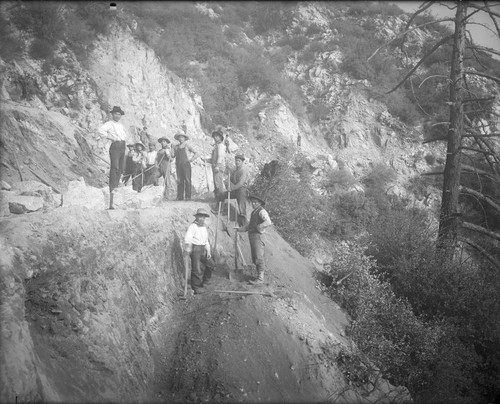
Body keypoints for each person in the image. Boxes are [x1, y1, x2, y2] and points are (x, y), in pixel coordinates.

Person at [98, 106, 129, 209]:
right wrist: (111, 137)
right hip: (115, 147)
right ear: (112, 114)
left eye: (119, 114)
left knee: (120, 168)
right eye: (116, 114)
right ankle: (112, 189)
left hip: (122, 146)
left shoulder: (121, 125)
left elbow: (124, 136)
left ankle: (116, 188)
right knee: (114, 168)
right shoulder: (109, 124)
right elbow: (100, 131)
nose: (117, 116)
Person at [236, 195, 272, 285]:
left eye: (256, 202)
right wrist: (239, 229)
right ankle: (259, 277)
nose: (254, 203)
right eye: (252, 202)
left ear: (260, 203)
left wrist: (260, 226)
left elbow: (268, 222)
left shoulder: (262, 211)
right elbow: (249, 225)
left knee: (258, 256)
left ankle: (260, 278)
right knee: (255, 257)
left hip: (258, 236)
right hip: (252, 236)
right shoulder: (253, 213)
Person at [184, 208, 215, 295]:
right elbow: (188, 239)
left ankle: (205, 282)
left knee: (211, 265)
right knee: (196, 269)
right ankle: (196, 288)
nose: (202, 219)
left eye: (203, 217)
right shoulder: (192, 227)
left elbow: (206, 241)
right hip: (195, 249)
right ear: (196, 217)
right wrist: (188, 249)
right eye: (200, 217)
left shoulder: (204, 228)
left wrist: (208, 251)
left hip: (203, 249)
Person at [217, 154, 249, 226]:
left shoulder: (244, 170)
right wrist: (227, 183)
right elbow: (229, 179)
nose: (237, 162)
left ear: (242, 162)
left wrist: (231, 188)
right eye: (236, 160)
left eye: (239, 161)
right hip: (234, 189)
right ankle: (219, 209)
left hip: (241, 190)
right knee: (222, 195)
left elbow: (241, 183)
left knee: (241, 207)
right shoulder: (234, 169)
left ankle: (243, 224)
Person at [172, 132, 199, 201]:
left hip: (186, 165)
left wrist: (191, 159)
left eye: (182, 137)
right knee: (180, 181)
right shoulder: (176, 147)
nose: (180, 138)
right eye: (179, 137)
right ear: (178, 139)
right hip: (178, 165)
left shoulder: (187, 145)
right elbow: (173, 156)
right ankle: (180, 197)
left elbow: (196, 153)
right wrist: (171, 149)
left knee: (187, 180)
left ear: (184, 138)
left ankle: (188, 197)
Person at [203, 130, 226, 202]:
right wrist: (207, 160)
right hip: (215, 166)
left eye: (217, 136)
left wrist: (217, 166)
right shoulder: (216, 146)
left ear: (220, 138)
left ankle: (221, 201)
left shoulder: (221, 146)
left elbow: (220, 157)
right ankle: (217, 200)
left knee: (218, 183)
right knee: (216, 183)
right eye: (215, 136)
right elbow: (214, 158)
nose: (215, 138)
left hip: (218, 167)